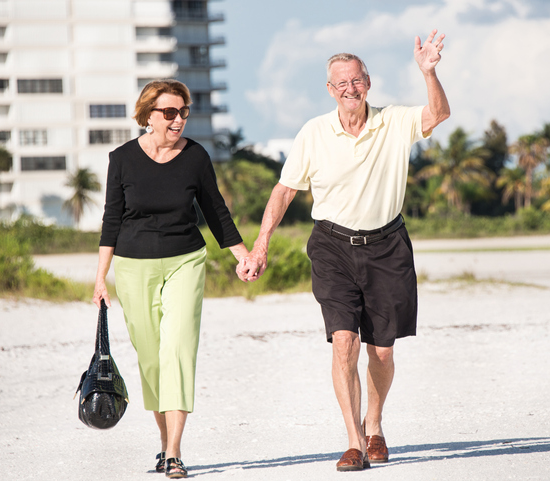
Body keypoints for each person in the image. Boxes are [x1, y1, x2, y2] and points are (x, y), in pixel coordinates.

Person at [244, 30, 450, 471]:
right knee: (344, 345)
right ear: (329, 90)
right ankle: (354, 441)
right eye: (340, 83)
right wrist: (261, 244)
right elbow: (283, 192)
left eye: (356, 81)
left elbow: (439, 113)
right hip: (332, 246)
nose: (349, 89)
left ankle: (374, 425)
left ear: (368, 83)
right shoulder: (313, 133)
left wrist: (428, 73)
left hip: (387, 245)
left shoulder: (393, 121)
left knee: (382, 351)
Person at [92, 79, 254, 479]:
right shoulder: (123, 158)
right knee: (151, 361)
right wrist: (101, 279)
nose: (179, 119)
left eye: (184, 112)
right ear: (149, 115)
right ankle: (164, 446)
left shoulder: (196, 157)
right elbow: (111, 220)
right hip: (133, 267)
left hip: (186, 260)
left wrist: (242, 255)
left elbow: (215, 210)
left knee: (178, 351)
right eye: (170, 112)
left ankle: (176, 452)